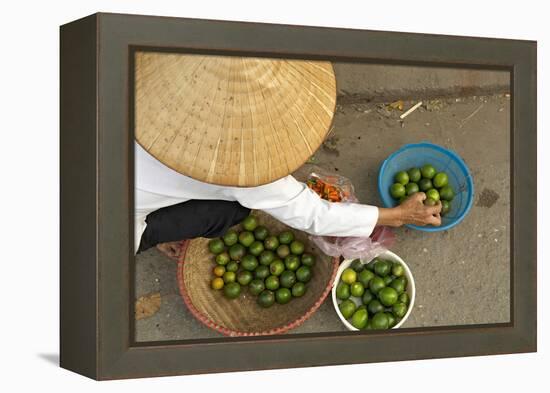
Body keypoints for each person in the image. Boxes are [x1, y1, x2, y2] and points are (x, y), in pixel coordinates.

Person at [134, 52, 441, 259]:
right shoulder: (239, 167)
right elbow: (313, 215)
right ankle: (152, 233)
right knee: (232, 212)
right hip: (109, 229)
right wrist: (399, 215)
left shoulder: (136, 70)